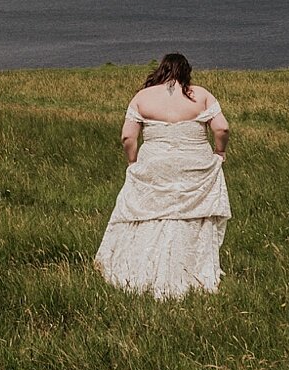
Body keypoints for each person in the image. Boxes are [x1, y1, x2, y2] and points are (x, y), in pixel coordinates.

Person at [93, 52, 231, 299]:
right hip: (194, 163)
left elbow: (127, 137)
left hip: (155, 163)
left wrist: (133, 161)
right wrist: (219, 151)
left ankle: (138, 269)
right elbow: (222, 127)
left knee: (150, 214)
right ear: (186, 72)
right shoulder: (201, 95)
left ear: (161, 70)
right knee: (191, 217)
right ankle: (190, 270)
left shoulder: (142, 97)